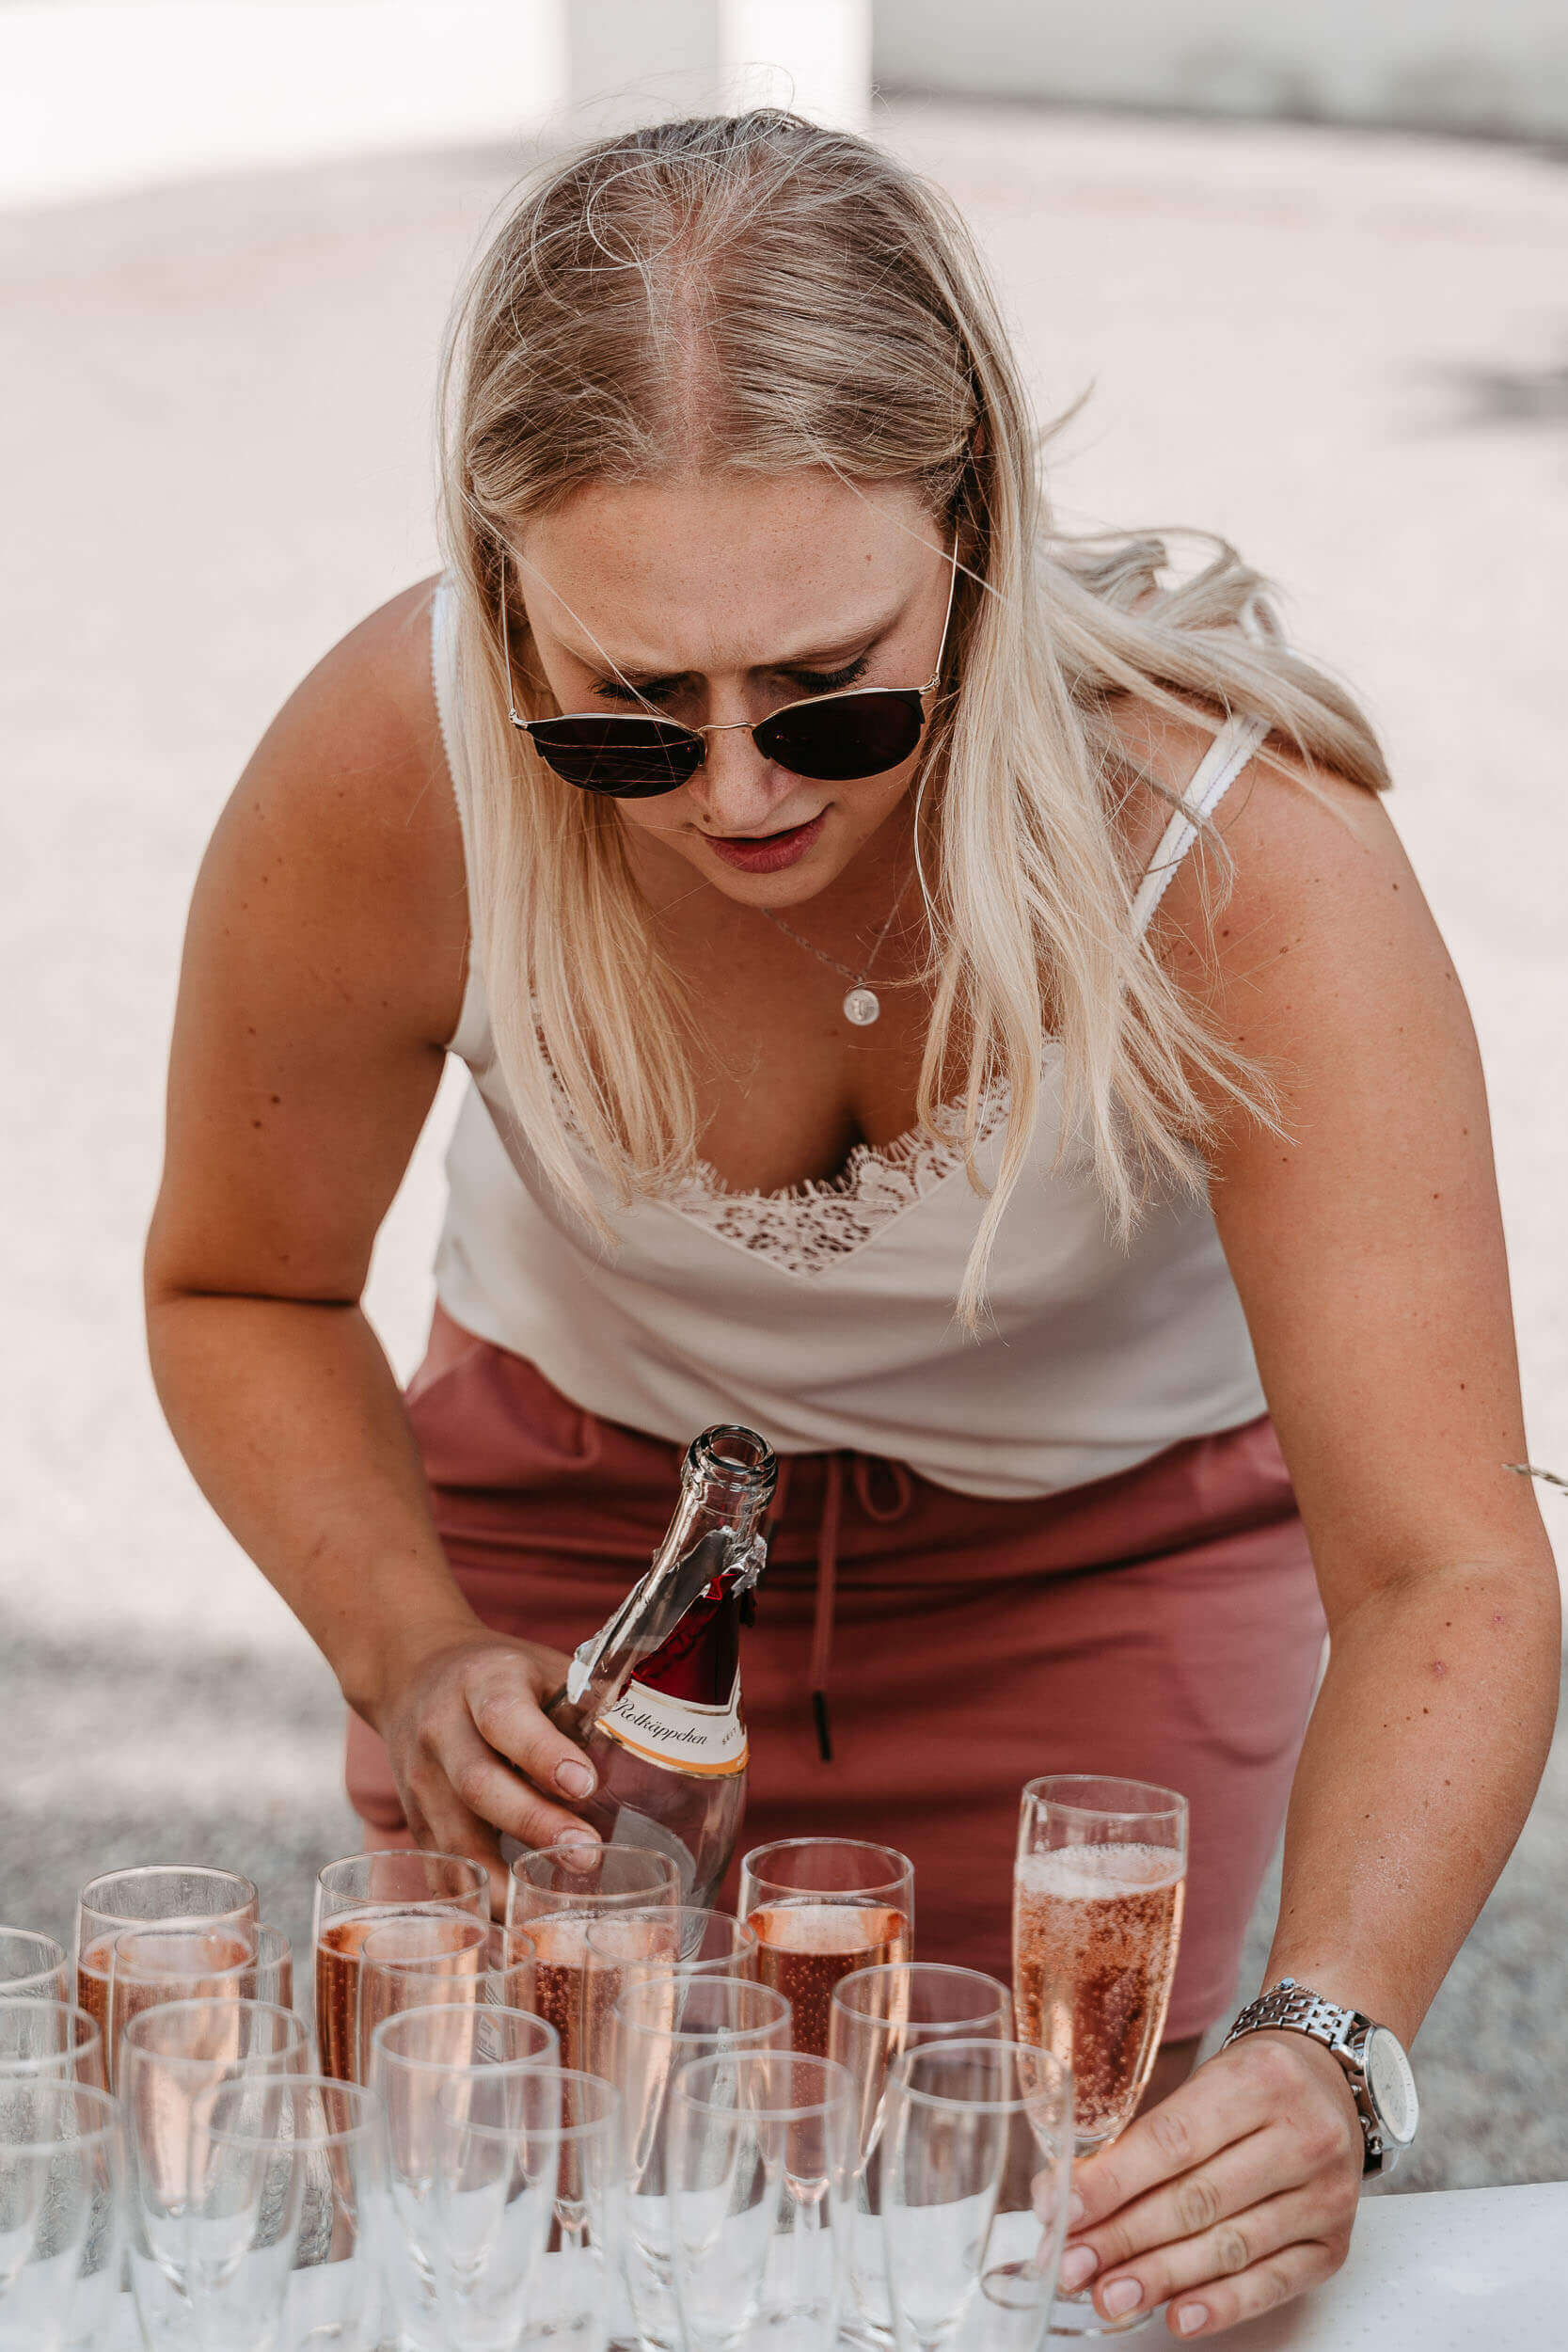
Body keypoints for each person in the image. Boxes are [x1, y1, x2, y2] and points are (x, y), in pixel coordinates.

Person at [145, 112, 1557, 2334]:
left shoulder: (1240, 851)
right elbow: (242, 1277)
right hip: (562, 1570)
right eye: (627, 712)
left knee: (1044, 2259)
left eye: (832, 692)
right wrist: (404, 1640)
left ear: (975, 532)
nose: (735, 790)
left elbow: (1446, 1558)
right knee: (502, 2240)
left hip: (1090, 1574)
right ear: (503, 582)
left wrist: (1334, 2043)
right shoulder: (398, 766)